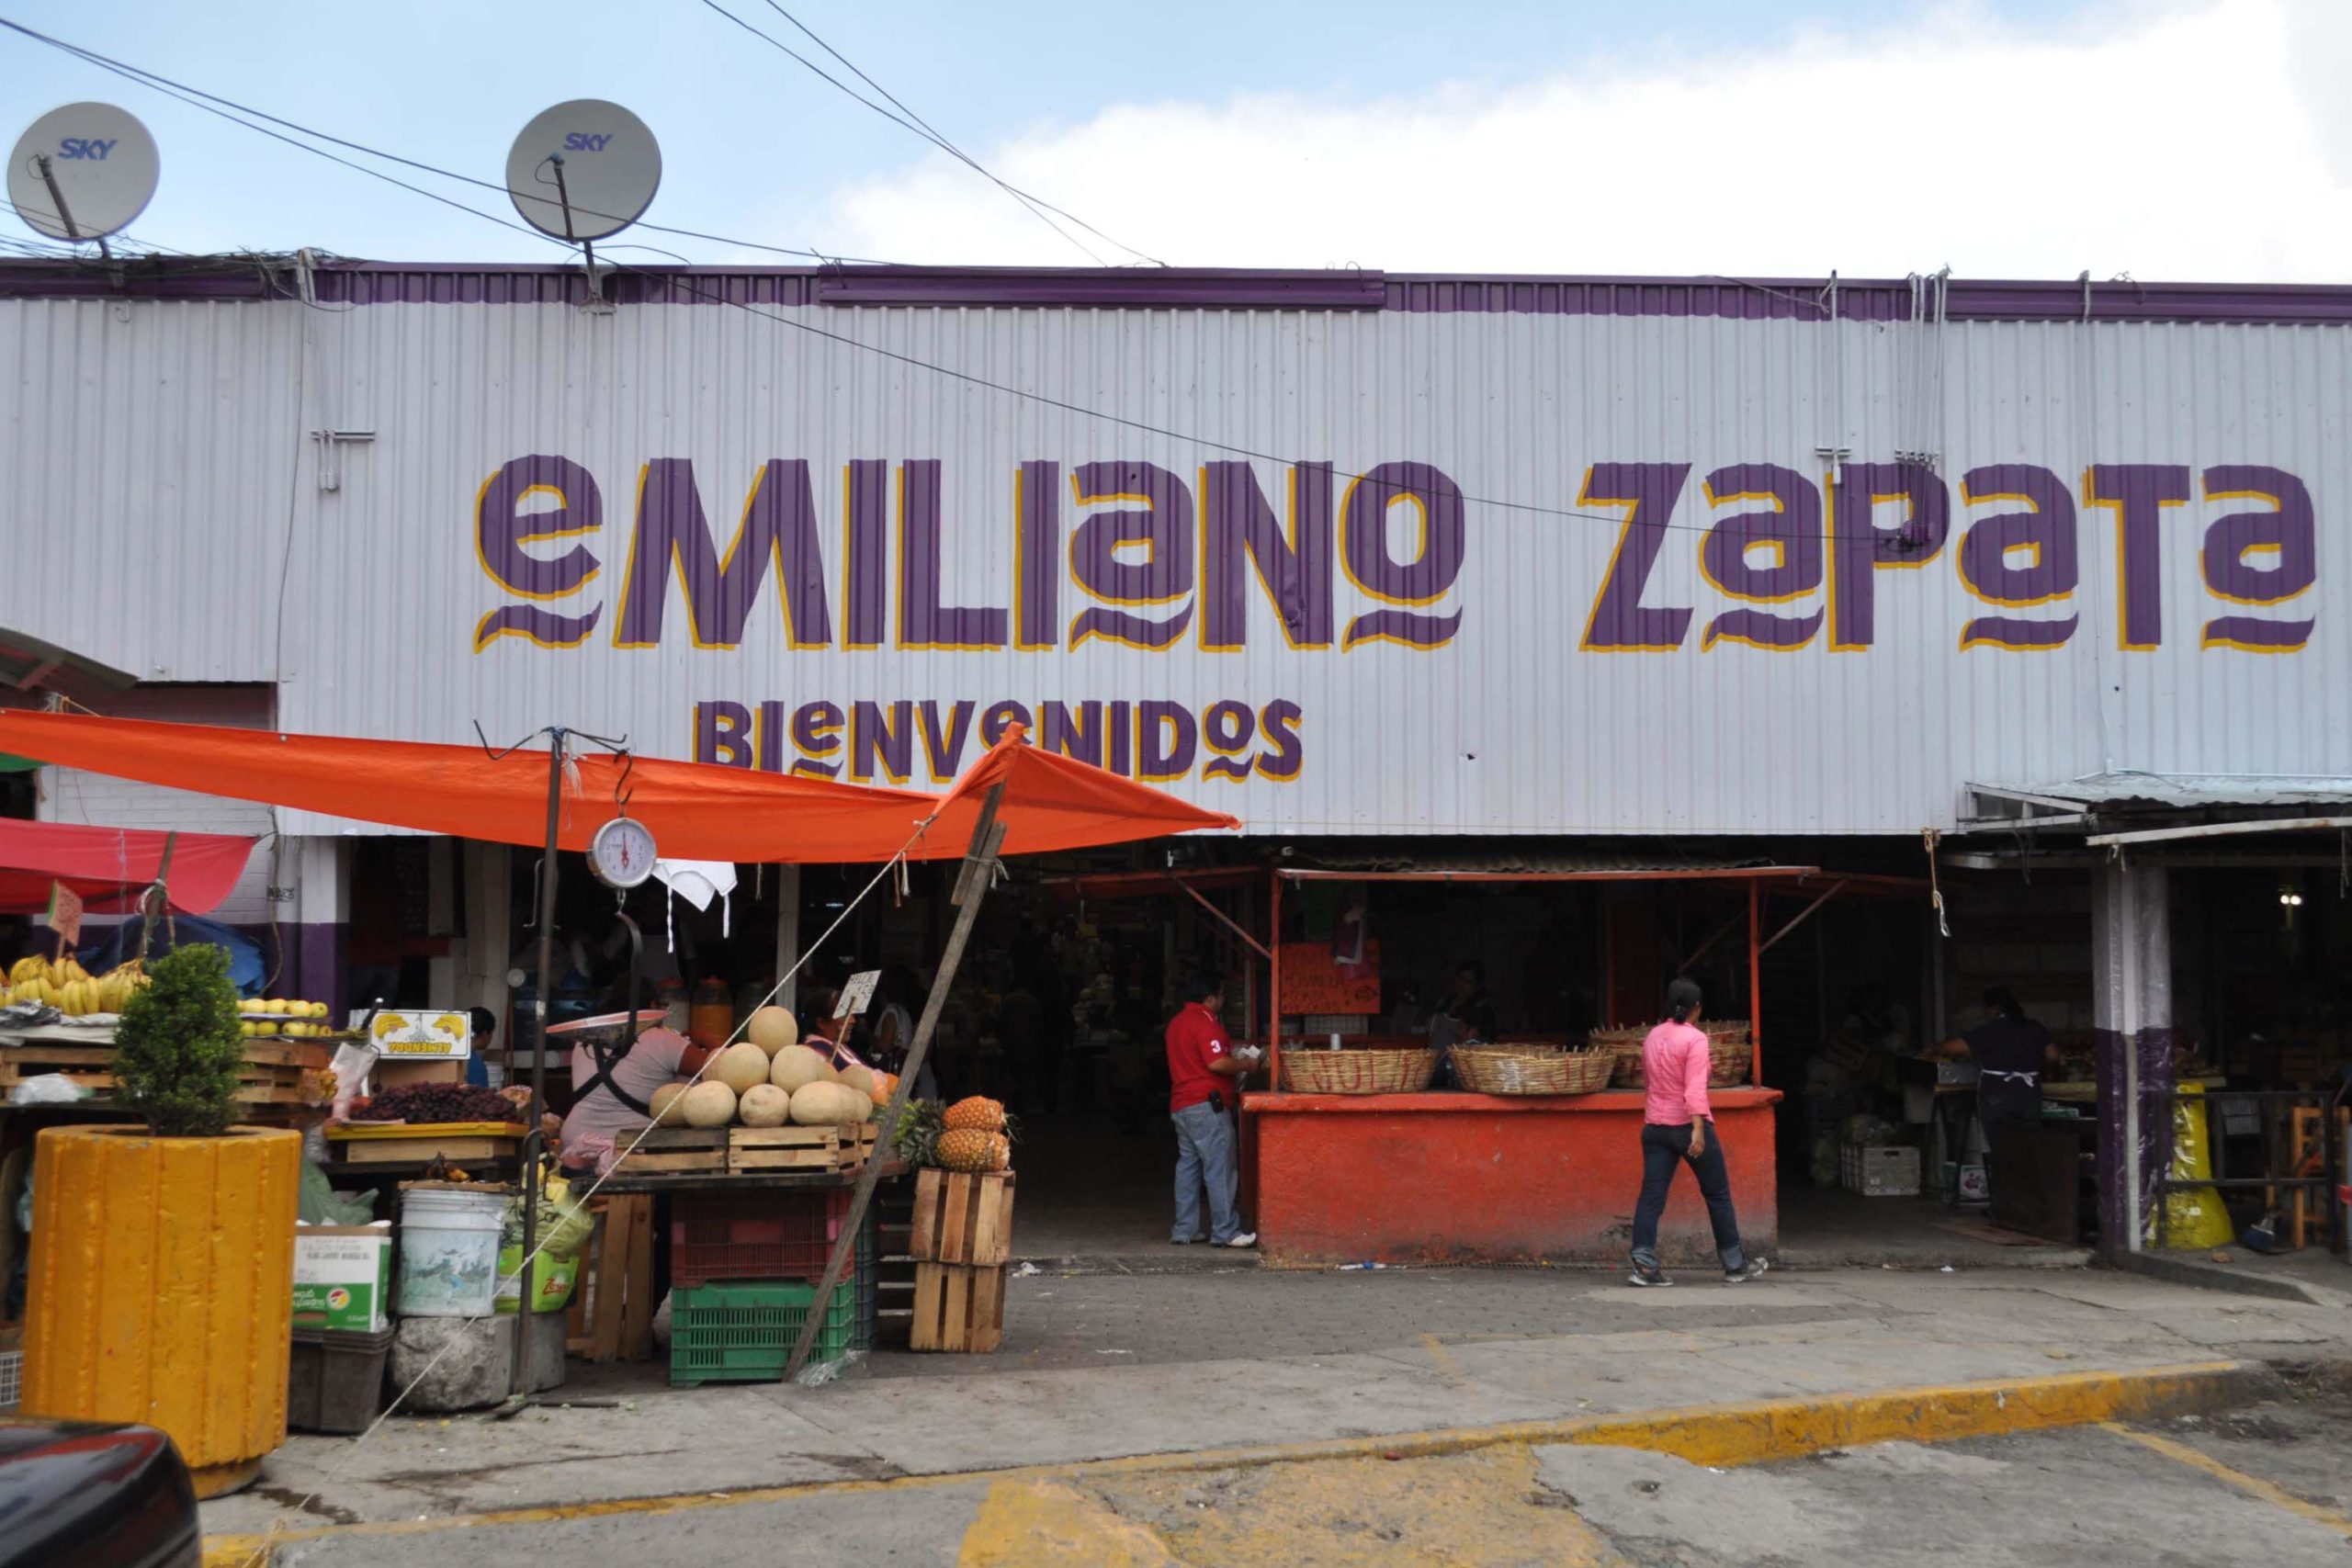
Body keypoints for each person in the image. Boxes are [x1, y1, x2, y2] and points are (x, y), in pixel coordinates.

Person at [1628, 978, 1769, 1287]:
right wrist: (1698, 1130)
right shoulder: (1695, 1040)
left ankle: (1644, 1265)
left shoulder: (1652, 1036)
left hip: (1654, 1126)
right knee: (1717, 1193)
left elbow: (1649, 1082)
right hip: (1687, 1125)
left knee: (1651, 1196)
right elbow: (1694, 1090)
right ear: (1697, 1008)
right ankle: (1735, 1264)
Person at [1164, 970, 1260, 1247]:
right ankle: (1226, 1231)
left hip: (1182, 1105)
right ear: (1210, 998)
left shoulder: (1176, 1023)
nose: (1223, 1000)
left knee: (1188, 1168)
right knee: (1219, 1168)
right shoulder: (1206, 1023)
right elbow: (1217, 1063)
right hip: (1207, 1105)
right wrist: (1246, 1065)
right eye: (1221, 995)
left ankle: (1184, 1229)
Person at [557, 1021, 713, 1178]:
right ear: (652, 1007)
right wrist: (706, 1039)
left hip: (576, 1147)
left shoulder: (583, 1041)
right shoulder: (661, 1039)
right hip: (632, 1157)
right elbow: (721, 1067)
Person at [1939, 987, 2059, 1132]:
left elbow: (1952, 1048)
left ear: (1994, 1009)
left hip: (1997, 1095)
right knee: (2028, 1141)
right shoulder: (2035, 1028)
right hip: (2029, 1094)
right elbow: (2053, 1055)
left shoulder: (1988, 1031)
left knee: (1998, 1142)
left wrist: (1933, 1048)